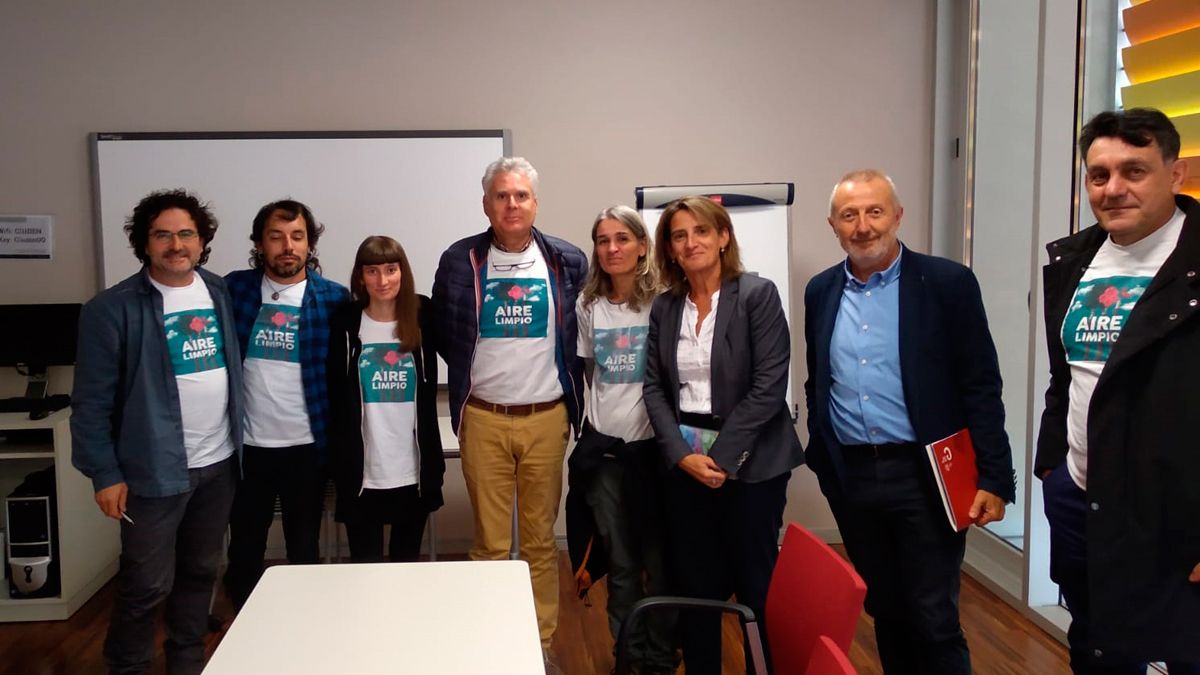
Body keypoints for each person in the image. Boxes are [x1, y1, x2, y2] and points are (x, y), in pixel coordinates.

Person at [804, 169, 1014, 675]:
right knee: (887, 610)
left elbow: (981, 384)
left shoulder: (947, 283)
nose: (863, 226)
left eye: (874, 211)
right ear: (832, 224)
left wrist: (994, 477)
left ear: (898, 215)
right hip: (854, 477)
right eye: (849, 215)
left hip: (927, 475)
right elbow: (819, 380)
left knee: (933, 614)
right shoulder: (821, 291)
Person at [1036, 108, 1200, 673]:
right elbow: (1067, 378)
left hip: (1176, 516)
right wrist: (1052, 470)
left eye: (1134, 171)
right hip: (1082, 499)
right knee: (1099, 648)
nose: (1114, 189)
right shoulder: (1074, 259)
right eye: (1098, 174)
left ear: (1174, 175)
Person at [71, 189, 242, 675]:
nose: (175, 244)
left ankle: (186, 665)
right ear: (144, 243)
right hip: (152, 473)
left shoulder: (219, 291)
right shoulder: (111, 308)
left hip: (218, 464)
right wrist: (104, 473)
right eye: (162, 234)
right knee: (146, 586)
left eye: (186, 233)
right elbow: (90, 403)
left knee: (200, 574)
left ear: (202, 240)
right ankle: (128, 668)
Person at [431, 157, 587, 664]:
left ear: (535, 202)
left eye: (521, 195)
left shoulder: (567, 260)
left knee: (541, 541)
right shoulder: (459, 260)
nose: (512, 204)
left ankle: (539, 644)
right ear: (486, 204)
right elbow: (442, 332)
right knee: (490, 544)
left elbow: (580, 334)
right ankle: (492, 641)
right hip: (483, 418)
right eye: (502, 196)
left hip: (546, 417)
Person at [642, 196, 802, 675]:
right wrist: (681, 455)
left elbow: (770, 385)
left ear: (723, 237)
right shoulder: (666, 307)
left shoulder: (757, 294)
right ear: (669, 249)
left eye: (701, 232)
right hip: (687, 462)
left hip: (752, 463)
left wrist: (724, 458)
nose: (691, 243)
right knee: (695, 586)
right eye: (678, 235)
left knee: (756, 583)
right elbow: (653, 387)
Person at [221, 199, 349, 609]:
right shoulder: (233, 290)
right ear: (260, 243)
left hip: (307, 449)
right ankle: (244, 630)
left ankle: (304, 627)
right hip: (247, 450)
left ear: (310, 244)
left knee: (304, 550)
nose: (287, 246)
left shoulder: (333, 300)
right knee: (243, 550)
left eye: (297, 237)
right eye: (276, 237)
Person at [568, 205, 677, 674]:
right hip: (607, 455)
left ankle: (660, 657)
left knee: (661, 563)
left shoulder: (668, 302)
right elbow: (592, 374)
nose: (612, 249)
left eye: (622, 239)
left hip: (657, 456)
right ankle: (628, 657)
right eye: (602, 240)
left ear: (642, 246)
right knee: (622, 563)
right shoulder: (587, 305)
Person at [326, 236, 444, 562]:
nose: (383, 280)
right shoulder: (346, 323)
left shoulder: (423, 317)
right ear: (360, 276)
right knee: (365, 569)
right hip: (362, 472)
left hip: (412, 469)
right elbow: (334, 391)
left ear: (402, 272)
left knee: (405, 566)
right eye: (373, 271)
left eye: (391, 270)